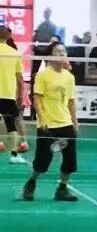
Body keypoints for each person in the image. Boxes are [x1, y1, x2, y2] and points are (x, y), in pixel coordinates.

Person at [22, 42, 79, 202]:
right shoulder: (42, 75)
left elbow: (71, 101)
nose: (62, 54)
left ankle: (62, 189)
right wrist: (42, 118)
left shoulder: (69, 77)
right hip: (48, 124)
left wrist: (75, 121)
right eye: (57, 51)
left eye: (64, 51)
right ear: (50, 56)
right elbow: (37, 98)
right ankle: (32, 182)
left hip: (65, 123)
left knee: (70, 160)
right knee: (43, 160)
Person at [0, 25, 29, 163]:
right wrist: (20, 95)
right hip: (8, 95)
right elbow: (20, 79)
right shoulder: (14, 53)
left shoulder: (14, 53)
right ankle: (14, 155)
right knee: (11, 125)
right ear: (8, 36)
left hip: (8, 94)